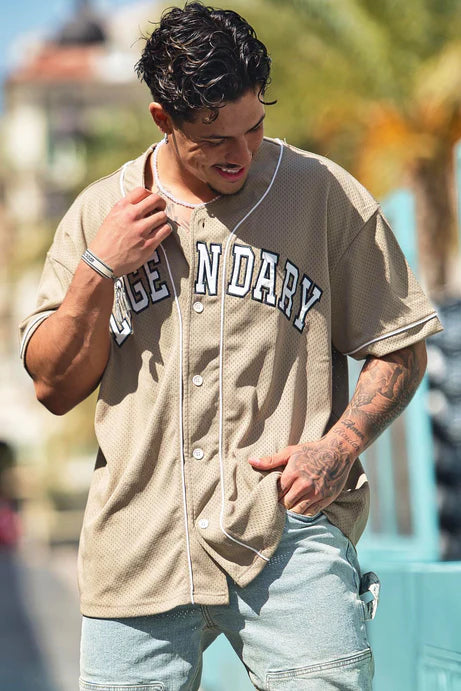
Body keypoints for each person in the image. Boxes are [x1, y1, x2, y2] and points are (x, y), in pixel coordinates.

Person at [20, 3, 442, 689]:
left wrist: (337, 449)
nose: (240, 154)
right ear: (163, 119)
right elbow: (53, 386)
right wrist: (100, 268)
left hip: (286, 529)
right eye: (215, 138)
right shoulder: (99, 212)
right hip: (137, 546)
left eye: (254, 128)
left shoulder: (322, 195)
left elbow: (400, 344)